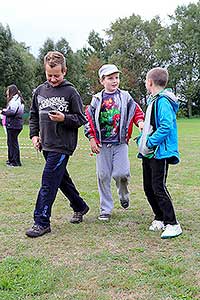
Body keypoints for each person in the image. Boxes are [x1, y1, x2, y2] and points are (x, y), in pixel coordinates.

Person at [26, 51, 89, 238]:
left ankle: (41, 221)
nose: (53, 79)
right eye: (49, 75)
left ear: (65, 71)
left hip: (63, 146)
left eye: (57, 75)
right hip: (46, 143)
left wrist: (64, 118)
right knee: (60, 179)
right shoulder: (39, 91)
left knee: (48, 182)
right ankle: (80, 206)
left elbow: (80, 118)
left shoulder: (71, 92)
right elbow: (34, 115)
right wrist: (34, 136)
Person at [84, 64, 144, 221]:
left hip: (120, 143)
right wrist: (91, 138)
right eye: (110, 78)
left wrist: (140, 122)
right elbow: (88, 119)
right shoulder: (97, 99)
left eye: (116, 77)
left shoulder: (125, 96)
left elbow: (136, 111)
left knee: (121, 173)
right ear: (102, 80)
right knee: (103, 176)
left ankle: (123, 195)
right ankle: (106, 209)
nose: (114, 81)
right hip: (102, 144)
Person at [137, 67, 182, 239]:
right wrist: (142, 139)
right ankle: (160, 217)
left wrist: (149, 142)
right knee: (148, 187)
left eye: (146, 82)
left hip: (159, 152)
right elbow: (151, 125)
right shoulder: (153, 100)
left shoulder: (163, 101)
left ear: (149, 82)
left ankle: (173, 223)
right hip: (149, 153)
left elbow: (166, 126)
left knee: (158, 187)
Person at [0, 84, 24, 167]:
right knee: (12, 143)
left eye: (8, 90)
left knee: (12, 143)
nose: (6, 92)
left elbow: (12, 112)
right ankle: (12, 159)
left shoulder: (14, 100)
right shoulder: (18, 99)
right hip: (15, 124)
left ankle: (14, 162)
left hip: (13, 124)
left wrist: (3, 112)